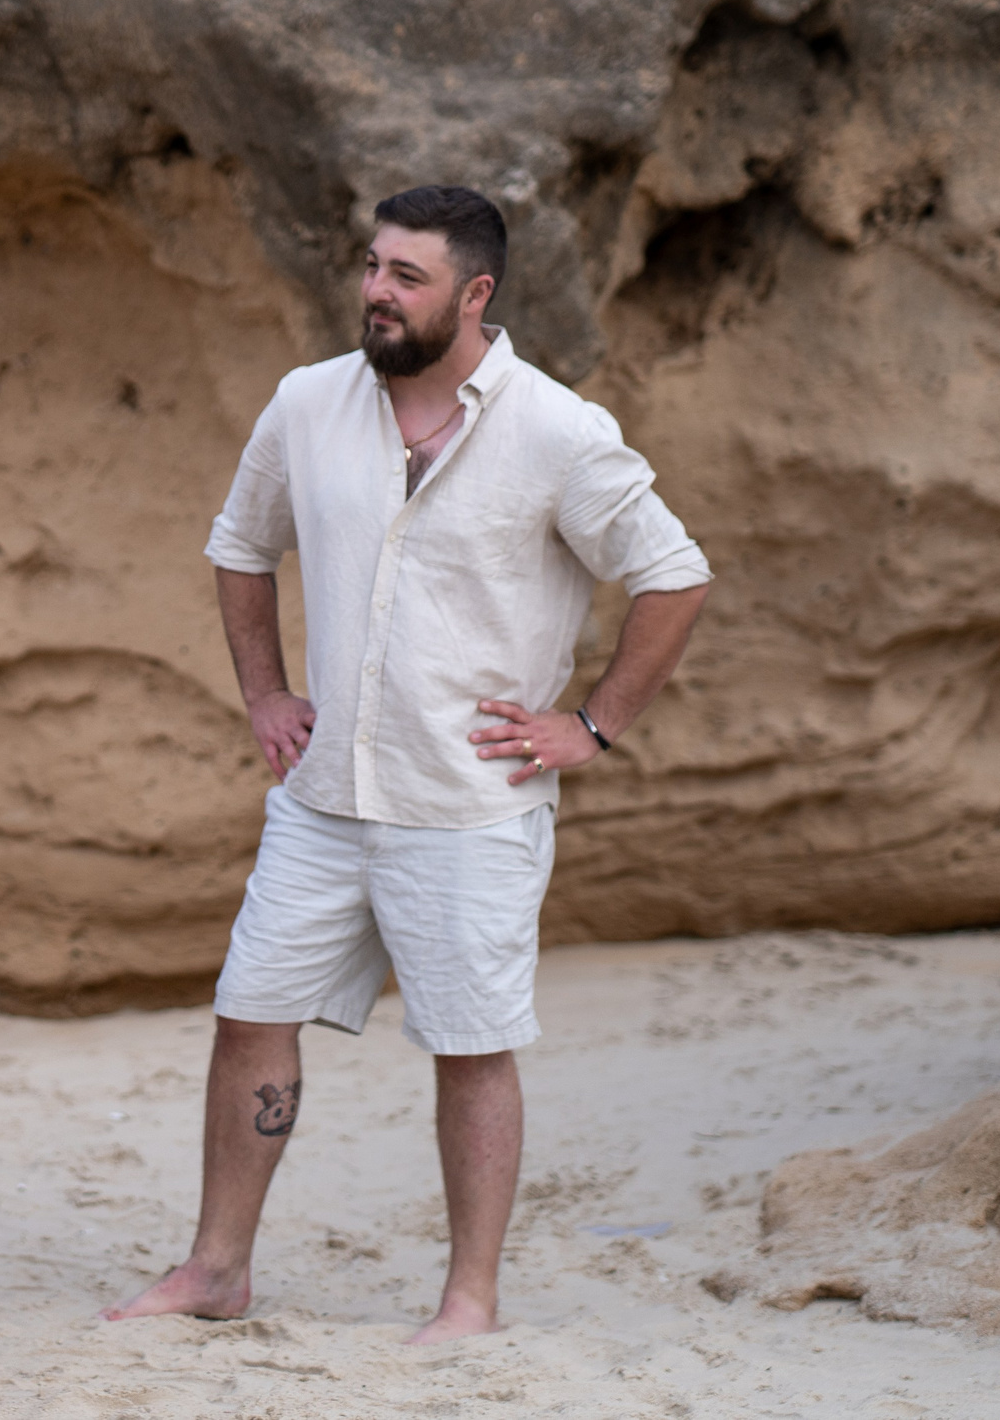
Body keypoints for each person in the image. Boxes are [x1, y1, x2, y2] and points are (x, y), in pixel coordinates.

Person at [106, 185, 711, 1342]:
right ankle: (215, 1270)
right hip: (323, 798)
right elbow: (240, 546)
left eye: (407, 277)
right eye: (374, 267)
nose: (376, 293)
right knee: (251, 1014)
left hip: (470, 805)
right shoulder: (308, 402)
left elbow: (672, 574)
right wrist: (266, 692)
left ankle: (467, 1301)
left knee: (472, 1051)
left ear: (475, 295)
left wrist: (591, 726)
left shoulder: (556, 429)